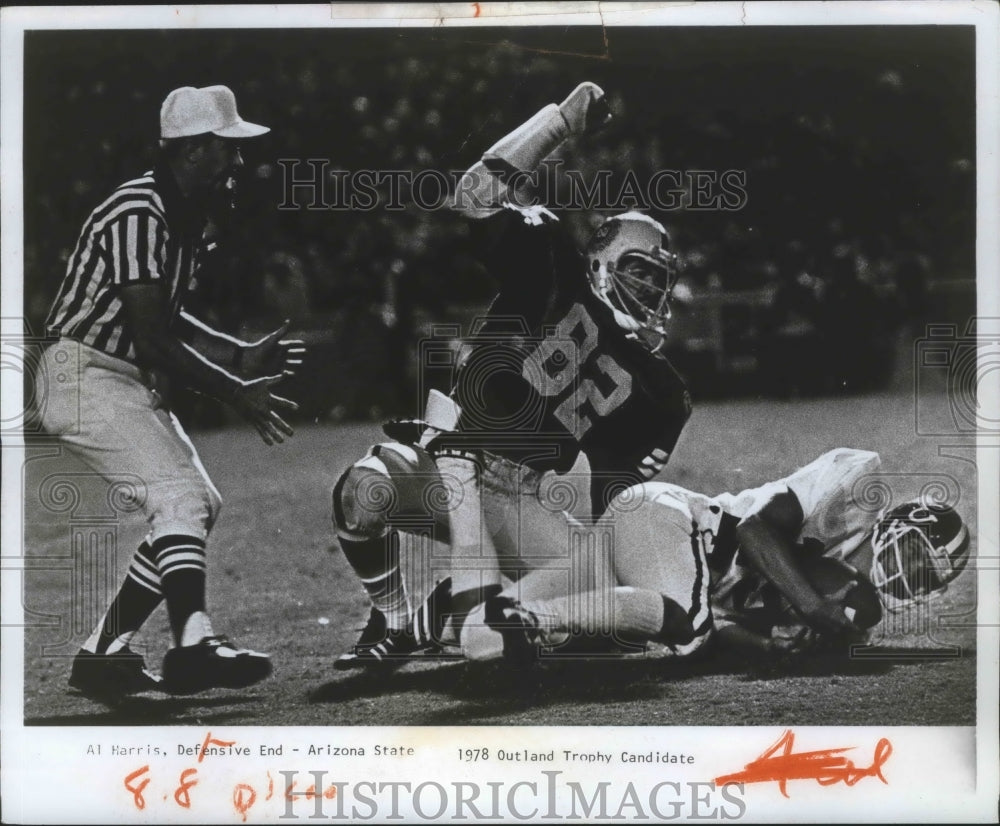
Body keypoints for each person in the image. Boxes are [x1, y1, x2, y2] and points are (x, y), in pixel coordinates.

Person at [331, 82, 695, 667]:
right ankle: (397, 620)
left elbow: (616, 511)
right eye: (638, 271)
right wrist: (561, 122)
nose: (649, 289)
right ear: (600, 262)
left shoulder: (661, 391)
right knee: (361, 492)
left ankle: (443, 613)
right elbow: (473, 192)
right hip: (448, 460)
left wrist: (598, 563)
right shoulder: (550, 264)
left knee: (598, 616)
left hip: (524, 498)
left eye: (658, 280)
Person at [37, 85, 304, 700]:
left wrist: (236, 353)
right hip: (84, 374)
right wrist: (238, 389)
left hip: (111, 376)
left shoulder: (174, 213)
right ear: (193, 152)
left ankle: (105, 656)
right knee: (180, 497)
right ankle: (194, 641)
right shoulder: (141, 210)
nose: (238, 164)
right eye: (227, 149)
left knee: (195, 506)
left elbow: (164, 315)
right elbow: (152, 337)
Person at [478, 448, 971, 663]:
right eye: (915, 553)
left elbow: (720, 621)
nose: (910, 573)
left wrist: (768, 646)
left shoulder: (852, 615)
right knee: (686, 633)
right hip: (670, 521)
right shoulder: (860, 482)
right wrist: (813, 608)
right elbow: (756, 531)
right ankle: (540, 617)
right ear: (900, 522)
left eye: (925, 578)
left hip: (651, 562)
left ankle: (418, 620)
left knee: (479, 639)